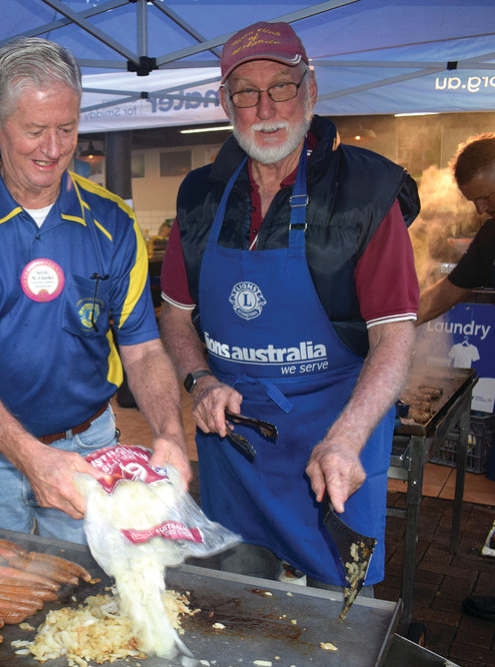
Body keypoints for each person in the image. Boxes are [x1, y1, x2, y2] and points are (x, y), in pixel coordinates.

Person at [158, 21, 421, 591]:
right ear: (226, 103)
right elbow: (175, 315)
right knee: (238, 599)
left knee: (341, 608)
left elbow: (394, 335)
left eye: (281, 86)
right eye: (246, 93)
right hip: (236, 445)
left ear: (311, 90)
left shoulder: (365, 192)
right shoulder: (200, 195)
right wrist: (199, 380)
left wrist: (348, 437)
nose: (265, 107)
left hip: (335, 439)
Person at [0, 37, 189, 544]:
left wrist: (171, 433)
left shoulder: (114, 223)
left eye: (67, 128)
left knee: (95, 608)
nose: (55, 149)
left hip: (92, 451)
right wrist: (32, 458)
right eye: (35, 130)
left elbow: (144, 349)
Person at [417, 133, 495, 325]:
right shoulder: (491, 235)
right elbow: (446, 292)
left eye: (485, 197)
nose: (480, 209)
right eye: (474, 202)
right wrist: (391, 329)